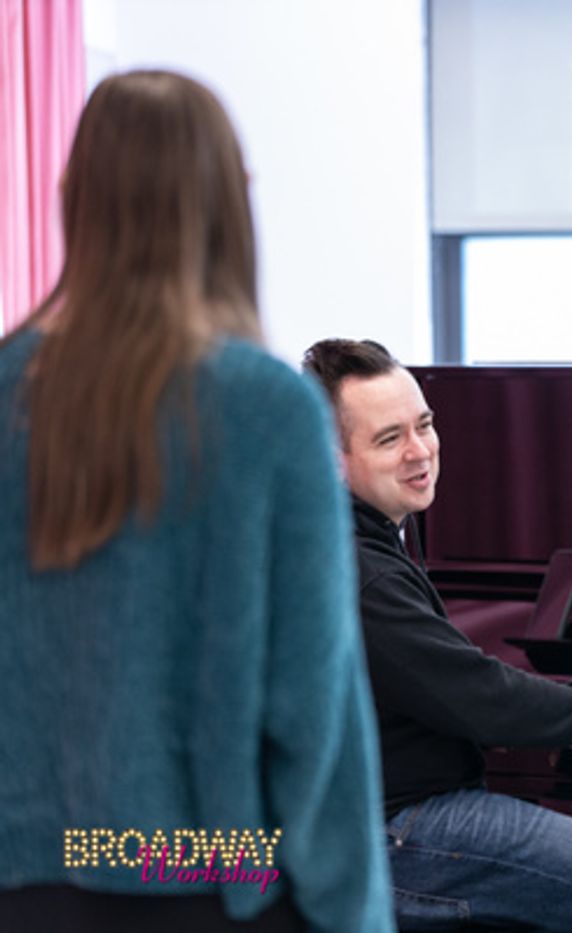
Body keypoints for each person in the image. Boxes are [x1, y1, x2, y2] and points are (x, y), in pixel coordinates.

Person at [0, 72, 393, 932]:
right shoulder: (263, 404)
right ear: (231, 204)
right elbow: (314, 703)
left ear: (73, 199)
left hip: (22, 865)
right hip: (193, 867)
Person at [302, 338, 572, 933]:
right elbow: (483, 700)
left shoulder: (347, 538)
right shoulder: (359, 570)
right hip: (388, 830)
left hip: (376, 813)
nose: (421, 452)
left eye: (425, 425)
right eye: (390, 439)